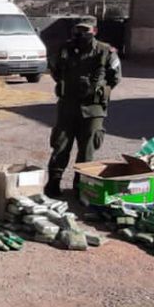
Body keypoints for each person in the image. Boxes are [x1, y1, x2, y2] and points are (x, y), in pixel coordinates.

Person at [45, 16, 121, 198]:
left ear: (94, 31)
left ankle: (82, 187)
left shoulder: (106, 51)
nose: (82, 33)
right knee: (60, 145)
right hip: (68, 105)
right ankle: (53, 183)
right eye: (79, 30)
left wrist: (97, 90)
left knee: (87, 148)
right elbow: (55, 70)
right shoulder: (65, 50)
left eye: (86, 30)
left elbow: (115, 77)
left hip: (93, 108)